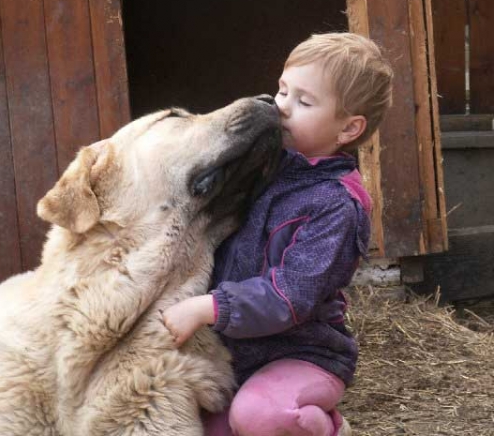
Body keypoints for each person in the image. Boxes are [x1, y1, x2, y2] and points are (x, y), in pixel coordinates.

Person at [162, 32, 394, 436]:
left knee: (258, 417)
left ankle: (327, 429)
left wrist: (207, 307)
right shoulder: (270, 166)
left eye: (304, 102)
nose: (282, 108)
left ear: (348, 129)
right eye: (283, 91)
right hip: (240, 352)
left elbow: (291, 296)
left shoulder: (336, 205)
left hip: (303, 353)